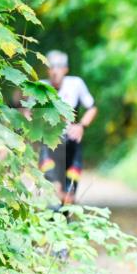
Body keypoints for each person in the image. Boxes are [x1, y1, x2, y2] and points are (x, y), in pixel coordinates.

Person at [38, 50, 97, 205]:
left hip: (71, 141)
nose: (55, 71)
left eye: (59, 67)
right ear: (47, 70)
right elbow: (28, 113)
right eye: (51, 67)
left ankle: (67, 207)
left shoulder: (76, 84)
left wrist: (81, 126)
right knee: (53, 189)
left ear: (66, 69)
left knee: (69, 193)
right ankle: (54, 205)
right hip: (49, 142)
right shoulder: (40, 87)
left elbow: (92, 107)